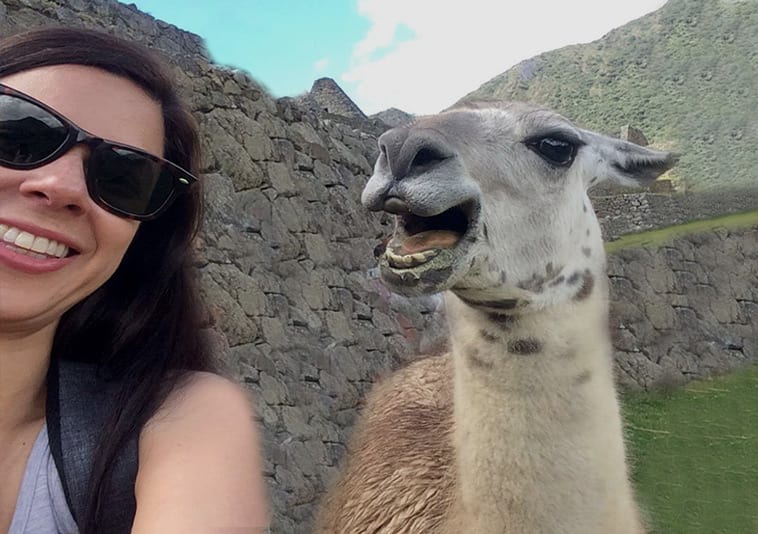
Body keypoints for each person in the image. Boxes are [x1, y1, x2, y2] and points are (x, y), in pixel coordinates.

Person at [0, 27, 269, 533]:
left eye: (124, 177)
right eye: (17, 133)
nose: (61, 187)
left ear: (139, 240)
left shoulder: (176, 423)